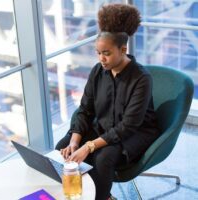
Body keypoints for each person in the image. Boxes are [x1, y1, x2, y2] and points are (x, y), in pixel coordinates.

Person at [55, 4, 160, 200]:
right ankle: (76, 194)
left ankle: (102, 197)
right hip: (104, 127)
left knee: (103, 158)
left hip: (134, 132)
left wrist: (89, 146)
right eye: (98, 52)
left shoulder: (141, 79)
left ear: (123, 49)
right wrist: (75, 141)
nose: (101, 59)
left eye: (107, 53)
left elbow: (128, 126)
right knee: (62, 148)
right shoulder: (97, 71)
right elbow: (85, 109)